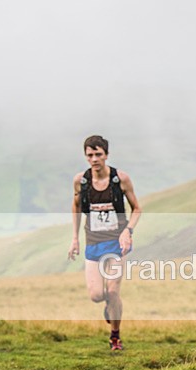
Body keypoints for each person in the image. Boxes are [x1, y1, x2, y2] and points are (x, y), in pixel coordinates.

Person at [68, 135, 142, 351]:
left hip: (117, 244)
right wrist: (74, 238)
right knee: (96, 295)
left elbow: (137, 208)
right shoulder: (80, 181)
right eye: (90, 155)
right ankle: (109, 308)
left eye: (98, 154)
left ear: (106, 155)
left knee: (112, 291)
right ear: (85, 156)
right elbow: (76, 207)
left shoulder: (121, 179)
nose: (94, 159)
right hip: (93, 242)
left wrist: (128, 231)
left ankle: (115, 337)